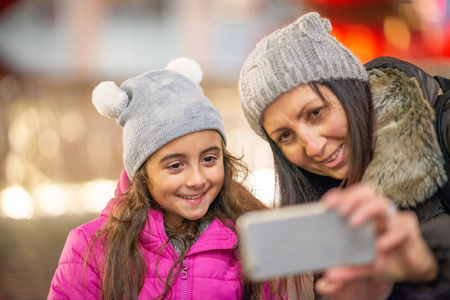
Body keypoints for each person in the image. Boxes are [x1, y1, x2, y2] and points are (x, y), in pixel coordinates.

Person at [238, 12, 450, 300]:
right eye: (285, 136)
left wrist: (429, 257)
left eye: (316, 113)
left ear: (351, 89)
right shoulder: (326, 210)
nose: (312, 146)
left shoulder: (443, 126)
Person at [48, 58, 285, 299]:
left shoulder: (251, 237)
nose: (197, 180)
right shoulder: (89, 247)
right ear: (141, 174)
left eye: (209, 159)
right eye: (175, 165)